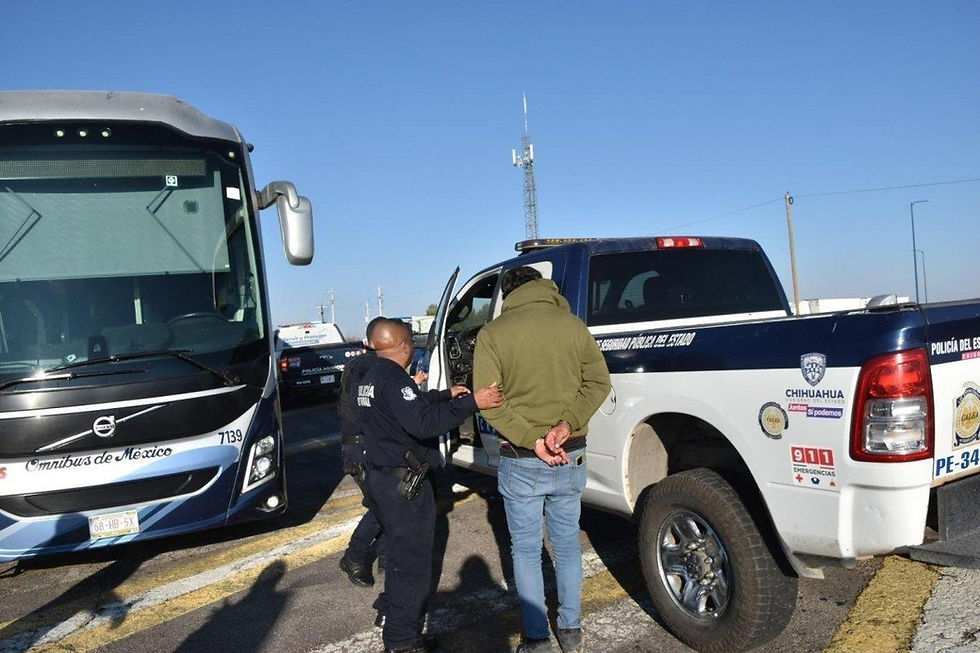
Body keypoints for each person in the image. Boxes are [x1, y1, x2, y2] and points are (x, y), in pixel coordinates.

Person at [473, 266, 611, 653]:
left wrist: (532, 439)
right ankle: (571, 630)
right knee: (567, 545)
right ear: (543, 287)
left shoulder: (492, 334)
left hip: (522, 458)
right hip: (571, 452)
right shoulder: (572, 325)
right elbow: (599, 382)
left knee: (526, 550)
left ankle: (538, 639)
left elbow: (490, 404)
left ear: (508, 294)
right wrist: (566, 424)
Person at [359, 319, 503, 653]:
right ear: (404, 345)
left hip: (381, 478)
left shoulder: (371, 377)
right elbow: (422, 423)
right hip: (404, 486)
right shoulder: (395, 380)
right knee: (413, 567)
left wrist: (443, 395)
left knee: (398, 558)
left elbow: (404, 410)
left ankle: (390, 617)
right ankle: (403, 641)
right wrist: (473, 403)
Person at [337, 316, 386, 587]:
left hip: (361, 444)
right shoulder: (372, 368)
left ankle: (388, 560)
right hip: (363, 446)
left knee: (393, 504)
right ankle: (354, 556)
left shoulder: (359, 365)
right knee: (382, 505)